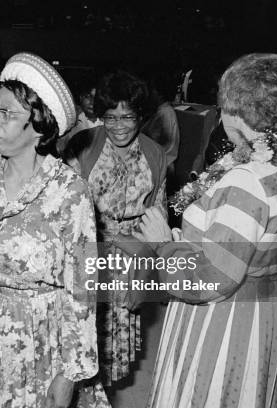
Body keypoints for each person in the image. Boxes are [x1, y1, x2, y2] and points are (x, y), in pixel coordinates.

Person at [136, 53, 277, 408]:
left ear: (237, 110)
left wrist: (163, 246)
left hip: (229, 318)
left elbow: (212, 279)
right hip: (266, 305)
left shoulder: (245, 180)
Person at [0, 52, 110, 407]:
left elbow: (83, 287)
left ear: (40, 126)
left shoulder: (68, 191)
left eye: (7, 113)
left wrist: (69, 373)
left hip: (40, 339)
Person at [64, 70, 167, 393]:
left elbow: (158, 210)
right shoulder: (83, 145)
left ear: (141, 116)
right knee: (82, 335)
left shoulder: (155, 153)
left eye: (128, 117)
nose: (119, 125)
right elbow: (66, 206)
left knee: (113, 343)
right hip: (90, 252)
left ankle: (102, 394)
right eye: (110, 117)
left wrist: (146, 255)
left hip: (130, 259)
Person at [56, 77, 102, 155]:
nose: (92, 102)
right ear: (81, 98)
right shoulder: (70, 124)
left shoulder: (110, 123)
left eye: (96, 98)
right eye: (88, 97)